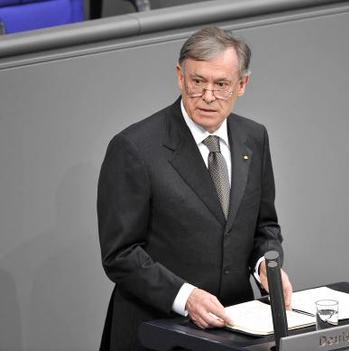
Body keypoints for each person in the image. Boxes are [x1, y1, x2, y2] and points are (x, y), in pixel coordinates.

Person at [97, 26, 293, 351]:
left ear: (242, 84)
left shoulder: (254, 138)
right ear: (180, 76)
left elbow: (265, 226)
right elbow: (120, 254)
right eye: (197, 82)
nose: (207, 96)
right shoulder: (135, 148)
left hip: (234, 331)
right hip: (157, 333)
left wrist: (266, 267)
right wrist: (186, 297)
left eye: (221, 85)